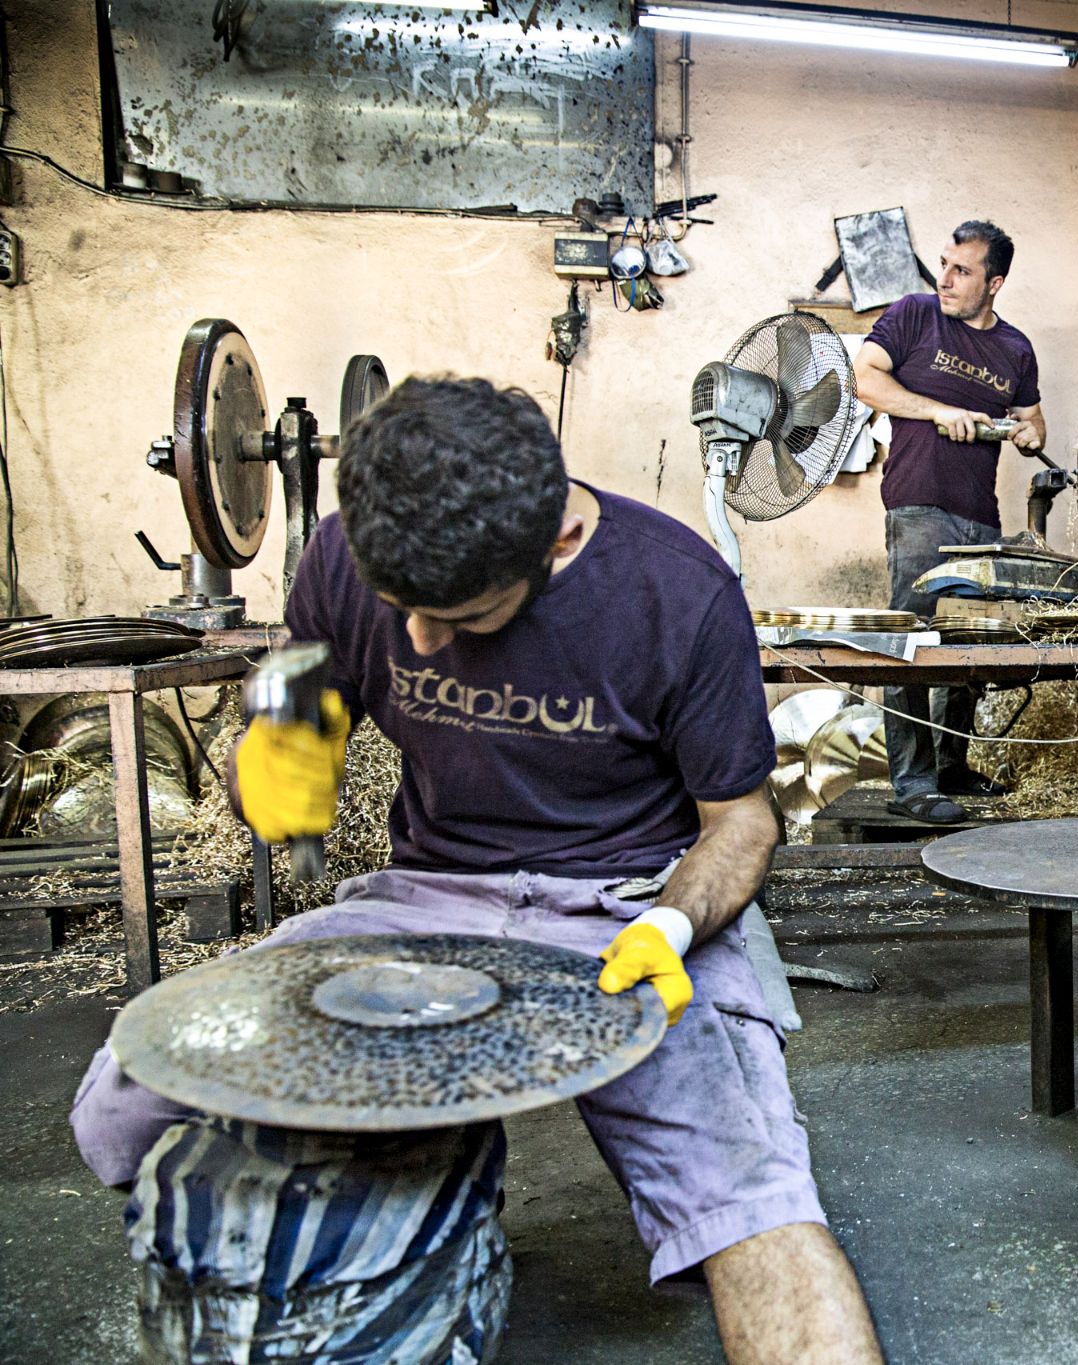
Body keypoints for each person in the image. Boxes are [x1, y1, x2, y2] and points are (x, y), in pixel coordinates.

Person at [71, 378, 883, 1365]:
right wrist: (272, 759)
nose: (416, 639)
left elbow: (740, 825)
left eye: (457, 617)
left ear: (555, 544)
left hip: (625, 902)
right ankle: (403, 1242)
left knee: (744, 1194)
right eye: (398, 608)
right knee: (120, 1109)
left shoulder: (679, 592)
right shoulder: (346, 552)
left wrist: (671, 928)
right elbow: (294, 698)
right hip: (424, 898)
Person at [853, 219, 1047, 825]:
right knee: (907, 644)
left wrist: (1027, 433)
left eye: (962, 270)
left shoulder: (1015, 348)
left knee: (966, 648)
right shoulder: (914, 314)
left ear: (995, 283)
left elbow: (1035, 422)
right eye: (944, 264)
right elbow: (866, 380)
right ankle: (913, 785)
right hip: (917, 505)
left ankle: (953, 764)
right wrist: (944, 412)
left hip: (980, 516)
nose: (945, 279)